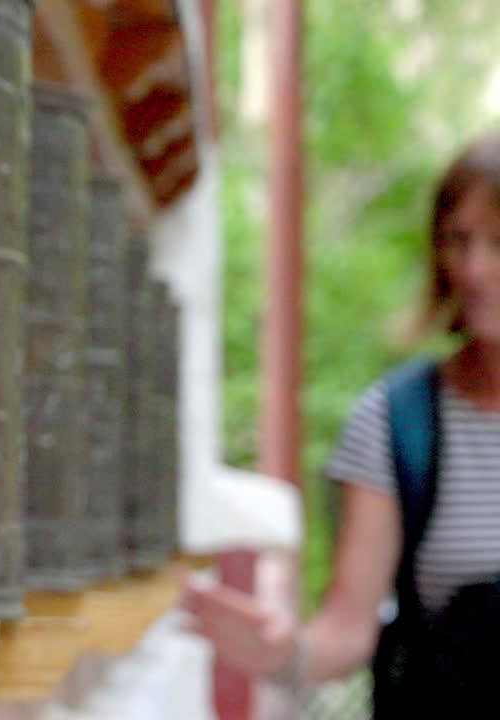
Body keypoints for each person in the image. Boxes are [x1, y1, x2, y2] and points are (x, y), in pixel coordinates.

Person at [185, 133, 500, 717]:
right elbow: (347, 632)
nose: (476, 268)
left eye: (498, 243)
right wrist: (285, 653)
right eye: (459, 241)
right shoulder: (400, 421)